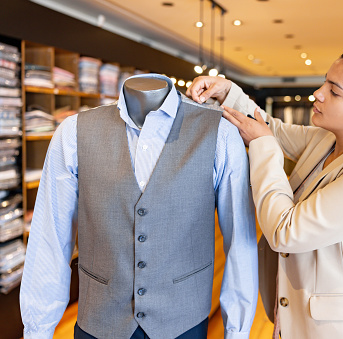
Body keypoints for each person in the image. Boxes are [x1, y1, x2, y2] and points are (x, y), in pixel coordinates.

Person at [187, 46, 343, 339]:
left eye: (334, 91)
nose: (318, 93)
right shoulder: (327, 140)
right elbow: (270, 128)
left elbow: (287, 231)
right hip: (295, 321)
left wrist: (264, 148)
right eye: (325, 82)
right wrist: (227, 92)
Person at [20, 74, 258, 339]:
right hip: (98, 324)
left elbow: (240, 242)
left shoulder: (220, 134)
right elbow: (50, 239)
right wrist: (37, 330)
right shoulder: (73, 133)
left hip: (184, 324)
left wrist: (238, 331)